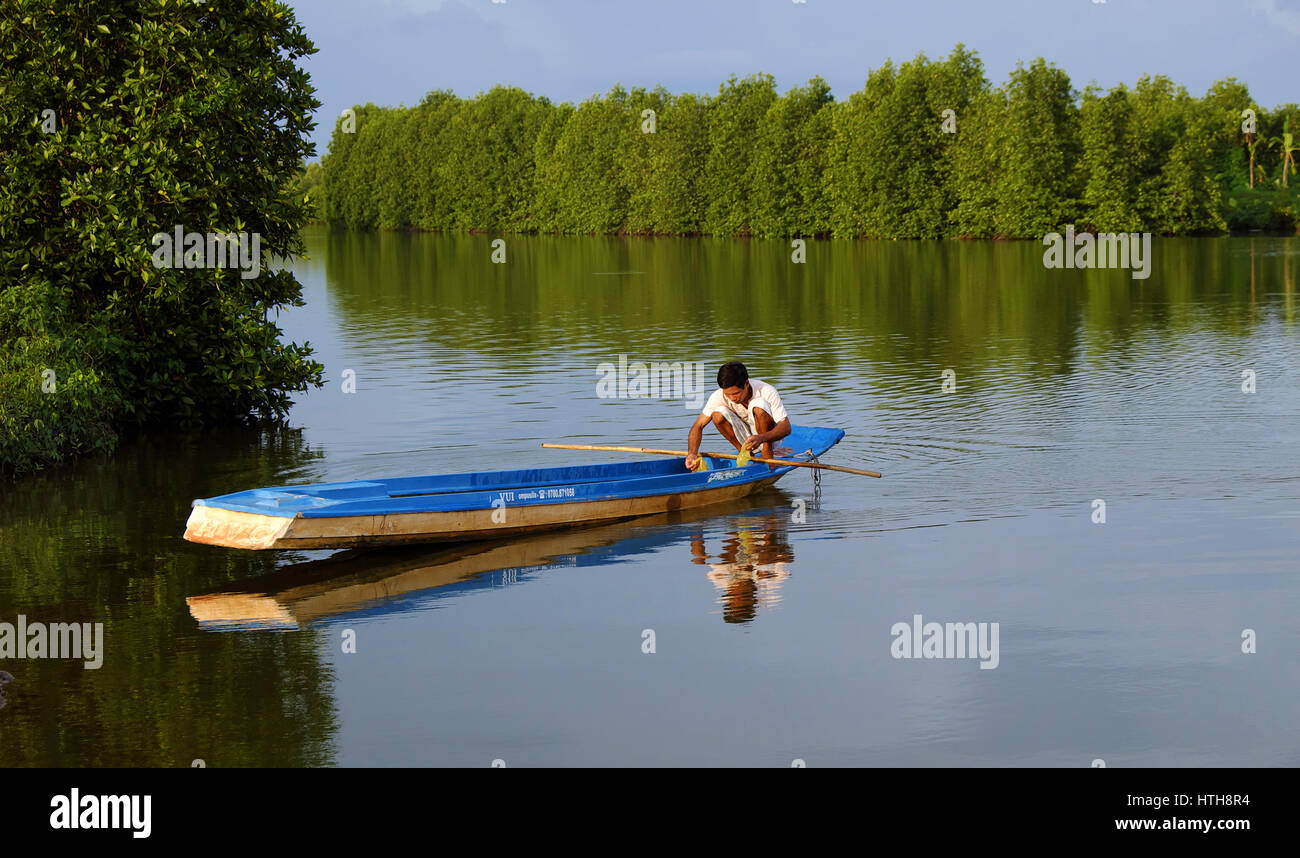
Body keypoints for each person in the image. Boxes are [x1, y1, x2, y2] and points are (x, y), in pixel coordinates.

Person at [685, 361, 791, 471]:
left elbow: (786, 427)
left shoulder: (766, 390)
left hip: (769, 438)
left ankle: (767, 454)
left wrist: (761, 438)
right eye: (727, 394)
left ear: (746, 384)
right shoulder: (718, 396)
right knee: (717, 414)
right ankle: (745, 453)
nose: (732, 398)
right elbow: (698, 426)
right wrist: (692, 453)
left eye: (736, 393)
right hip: (746, 441)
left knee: (758, 405)